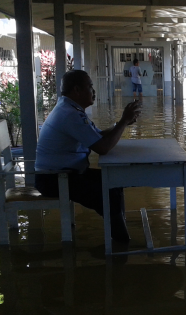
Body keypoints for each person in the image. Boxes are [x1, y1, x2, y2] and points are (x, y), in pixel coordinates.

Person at [34, 70, 140, 243]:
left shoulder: (70, 109)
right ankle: (121, 244)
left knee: (114, 181)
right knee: (108, 194)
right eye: (90, 86)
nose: (94, 91)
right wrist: (122, 122)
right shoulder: (69, 115)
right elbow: (103, 148)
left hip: (66, 173)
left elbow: (98, 136)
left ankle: (119, 229)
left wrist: (122, 123)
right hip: (54, 179)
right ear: (77, 90)